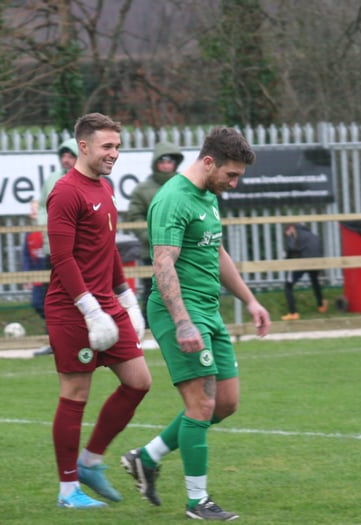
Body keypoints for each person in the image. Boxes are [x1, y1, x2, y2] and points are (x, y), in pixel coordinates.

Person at [120, 127, 271, 520]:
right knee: (201, 405)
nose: (234, 184)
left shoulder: (208, 195)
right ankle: (197, 502)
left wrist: (250, 300)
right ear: (208, 162)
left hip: (209, 310)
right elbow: (163, 262)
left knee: (226, 403)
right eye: (231, 175)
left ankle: (147, 456)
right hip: (179, 313)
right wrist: (183, 322)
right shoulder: (172, 199)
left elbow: (215, 251)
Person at [45, 113, 151, 510]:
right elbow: (62, 258)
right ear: (83, 147)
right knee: (76, 394)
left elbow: (106, 249)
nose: (114, 154)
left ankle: (90, 461)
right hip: (73, 309)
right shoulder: (65, 191)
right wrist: (89, 309)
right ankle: (68, 489)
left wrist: (125, 297)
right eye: (107, 146)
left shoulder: (104, 187)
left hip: (107, 303)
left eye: (118, 147)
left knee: (139, 381)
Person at [29, 138, 78, 356]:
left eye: (70, 156)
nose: (66, 160)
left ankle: (84, 338)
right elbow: (41, 208)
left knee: (82, 294)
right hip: (55, 249)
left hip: (80, 250)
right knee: (56, 296)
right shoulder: (53, 180)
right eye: (63, 156)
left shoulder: (88, 180)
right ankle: (56, 340)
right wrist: (47, 230)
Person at [127, 142, 184, 322]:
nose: (167, 165)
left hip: (183, 250)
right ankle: (150, 326)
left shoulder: (186, 186)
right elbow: (134, 217)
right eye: (163, 161)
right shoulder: (142, 190)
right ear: (155, 163)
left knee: (184, 289)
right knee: (153, 290)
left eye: (171, 161)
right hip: (151, 251)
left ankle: (185, 323)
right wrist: (153, 239)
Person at [280, 223, 327, 321]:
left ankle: (293, 313)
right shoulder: (312, 234)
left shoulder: (293, 232)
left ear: (291, 228)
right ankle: (321, 306)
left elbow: (291, 247)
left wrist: (287, 257)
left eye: (286, 233)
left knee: (288, 286)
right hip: (316, 261)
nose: (287, 235)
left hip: (302, 261)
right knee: (315, 282)